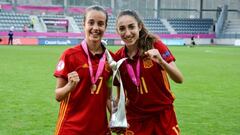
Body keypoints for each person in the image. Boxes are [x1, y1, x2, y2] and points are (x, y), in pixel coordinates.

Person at [113, 10, 184, 135]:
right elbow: (120, 96)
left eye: (131, 27)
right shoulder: (118, 58)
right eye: (122, 28)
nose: (127, 33)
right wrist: (118, 117)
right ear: (117, 31)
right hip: (136, 119)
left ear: (139, 26)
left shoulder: (155, 45)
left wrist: (161, 62)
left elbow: (179, 79)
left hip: (162, 115)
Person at [53, 5, 114, 135]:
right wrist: (69, 86)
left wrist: (117, 117)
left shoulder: (110, 59)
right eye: (91, 23)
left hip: (100, 129)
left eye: (100, 24)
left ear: (105, 27)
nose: (95, 28)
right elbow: (58, 95)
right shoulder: (70, 55)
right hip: (71, 129)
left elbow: (108, 97)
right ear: (84, 24)